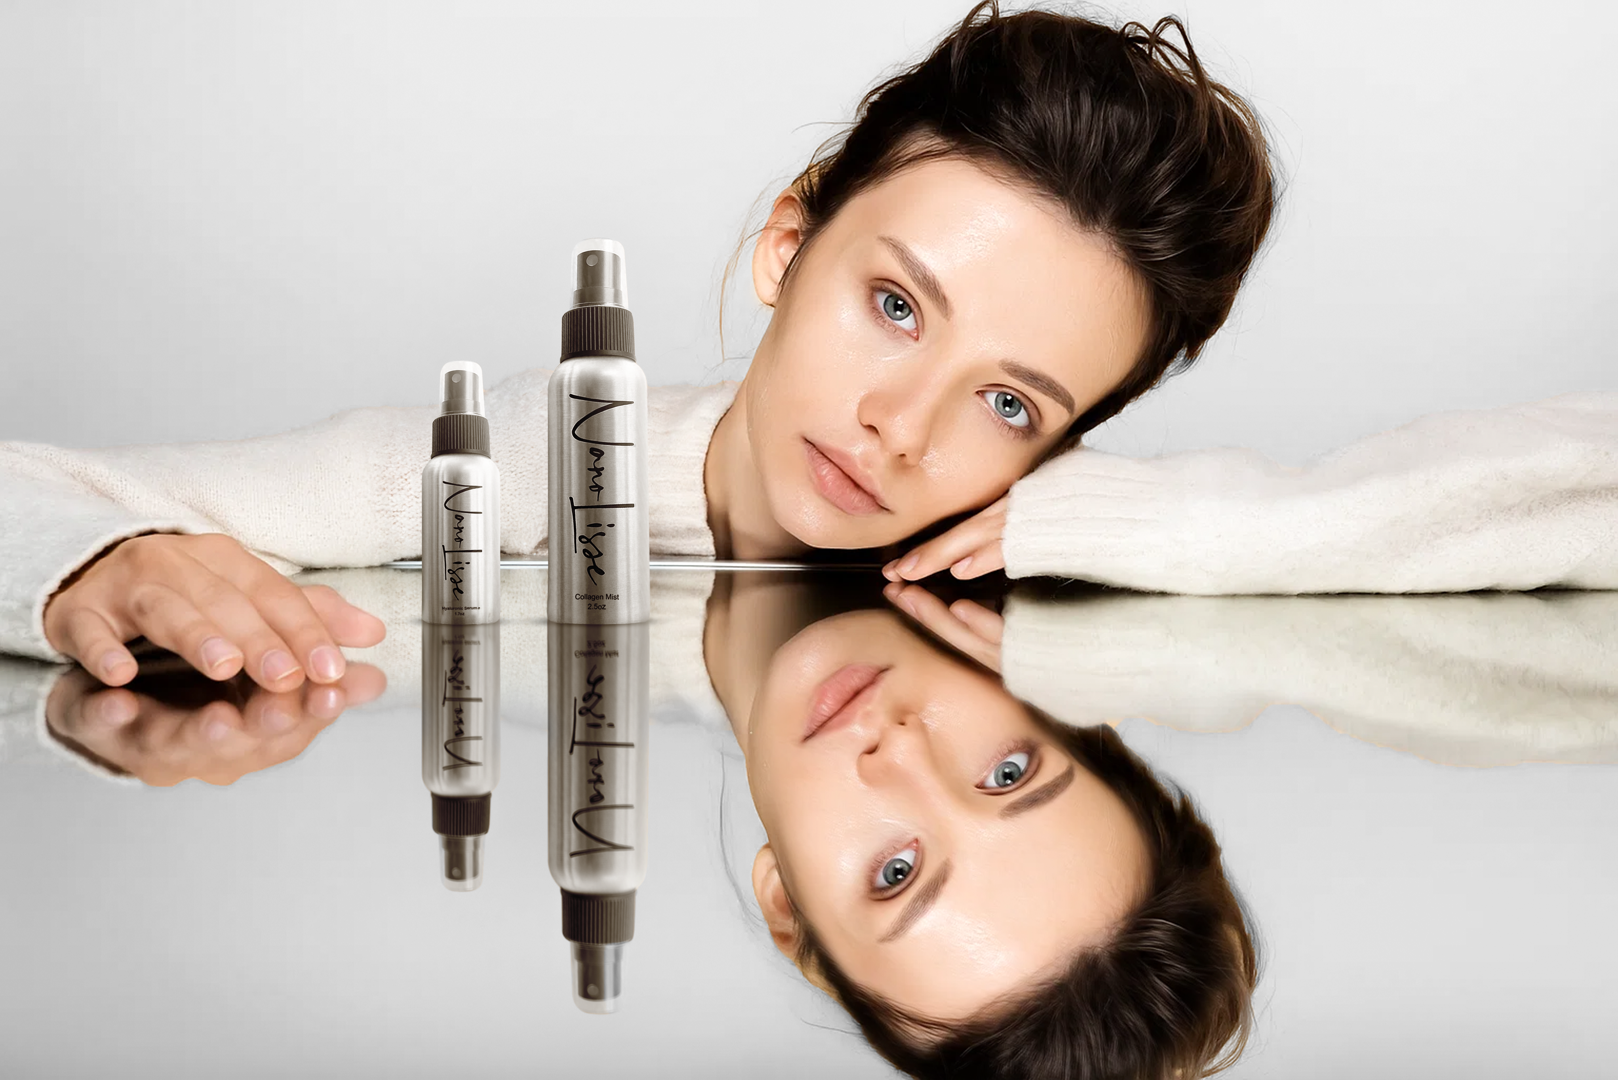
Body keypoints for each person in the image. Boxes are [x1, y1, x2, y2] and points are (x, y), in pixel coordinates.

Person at [2, 2, 1614, 701]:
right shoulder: (538, 455)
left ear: (1068, 442)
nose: (902, 423)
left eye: (1010, 401)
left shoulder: (1062, 546)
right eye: (893, 304)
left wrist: (1204, 526)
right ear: (789, 243)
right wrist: (105, 557)